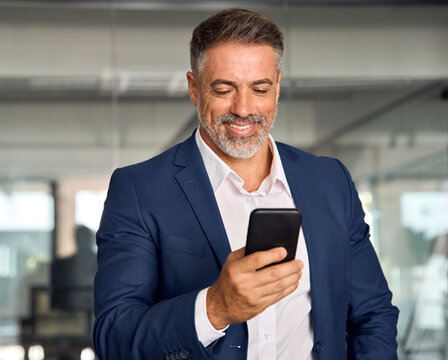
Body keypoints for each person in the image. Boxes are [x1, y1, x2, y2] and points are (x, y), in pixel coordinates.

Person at [92, 8, 398, 360]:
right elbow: (113, 337)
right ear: (194, 89)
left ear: (278, 86)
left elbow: (373, 314)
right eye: (224, 89)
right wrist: (215, 308)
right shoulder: (139, 190)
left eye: (260, 88)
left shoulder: (330, 181)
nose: (243, 108)